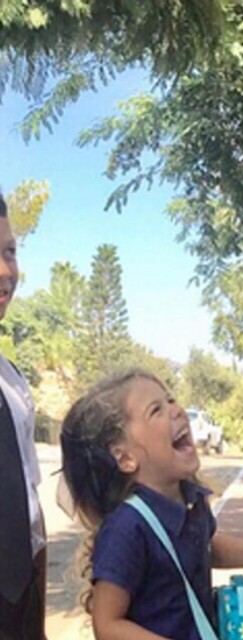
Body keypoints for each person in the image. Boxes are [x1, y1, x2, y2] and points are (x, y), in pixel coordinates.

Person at [59, 368, 243, 640]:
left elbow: (205, 547)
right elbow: (107, 624)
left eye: (170, 400)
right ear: (125, 458)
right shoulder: (127, 528)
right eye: (156, 410)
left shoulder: (191, 501)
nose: (177, 410)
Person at [0, 194, 47, 639]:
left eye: (9, 251)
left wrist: (38, 626)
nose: (5, 270)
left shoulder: (13, 384)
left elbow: (31, 515)